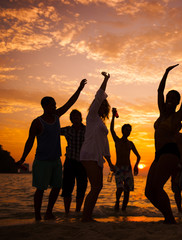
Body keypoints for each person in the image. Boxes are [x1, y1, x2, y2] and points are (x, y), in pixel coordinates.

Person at [16, 79, 87, 221]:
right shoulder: (37, 122)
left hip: (56, 160)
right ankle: (37, 215)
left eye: (55, 104)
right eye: (53, 104)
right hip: (42, 161)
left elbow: (69, 103)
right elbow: (30, 141)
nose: (55, 106)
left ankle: (48, 212)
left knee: (57, 187)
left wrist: (79, 89)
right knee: (40, 189)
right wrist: (23, 158)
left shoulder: (56, 116)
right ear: (46, 106)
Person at [145, 64, 182, 224]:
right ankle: (168, 216)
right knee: (148, 191)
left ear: (177, 103)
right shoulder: (161, 113)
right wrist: (166, 72)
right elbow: (159, 91)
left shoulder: (177, 116)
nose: (170, 100)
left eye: (174, 98)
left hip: (170, 152)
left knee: (157, 187)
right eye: (169, 97)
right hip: (158, 154)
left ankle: (170, 218)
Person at [80, 72, 115, 222]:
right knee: (95, 187)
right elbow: (99, 96)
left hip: (97, 156)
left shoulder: (100, 122)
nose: (103, 107)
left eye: (104, 106)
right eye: (101, 104)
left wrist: (111, 162)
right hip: (89, 154)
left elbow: (105, 145)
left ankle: (87, 215)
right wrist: (106, 79)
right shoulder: (92, 116)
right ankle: (86, 217)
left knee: (98, 186)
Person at [110, 108, 141, 212]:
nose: (128, 131)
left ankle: (123, 210)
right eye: (126, 130)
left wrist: (136, 165)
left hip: (127, 169)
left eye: (129, 130)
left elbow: (138, 156)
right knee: (119, 189)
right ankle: (117, 202)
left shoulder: (130, 144)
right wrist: (113, 116)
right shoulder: (117, 141)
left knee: (127, 190)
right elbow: (111, 130)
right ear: (122, 130)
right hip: (118, 168)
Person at [60, 109, 87, 216]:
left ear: (81, 118)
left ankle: (77, 211)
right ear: (71, 119)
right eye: (73, 117)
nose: (76, 119)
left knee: (81, 187)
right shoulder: (67, 130)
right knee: (67, 187)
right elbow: (53, 131)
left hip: (83, 162)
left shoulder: (87, 130)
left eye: (77, 117)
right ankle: (67, 212)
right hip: (70, 161)